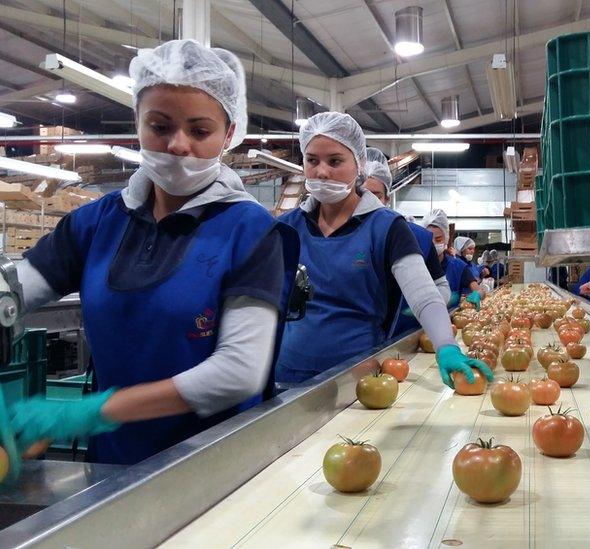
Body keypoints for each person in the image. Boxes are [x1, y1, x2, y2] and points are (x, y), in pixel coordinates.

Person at [7, 40, 299, 465]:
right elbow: (13, 295)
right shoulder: (95, 223)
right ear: (138, 124)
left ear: (229, 133)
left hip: (213, 465)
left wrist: (90, 412)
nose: (178, 145)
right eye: (160, 127)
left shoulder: (251, 232)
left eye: (200, 131)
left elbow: (239, 372)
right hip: (113, 465)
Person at [275, 113, 491, 388]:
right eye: (312, 160)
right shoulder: (286, 228)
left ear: (359, 165)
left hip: (358, 381)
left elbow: (424, 294)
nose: (322, 171)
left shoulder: (387, 228)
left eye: (335, 161)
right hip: (286, 377)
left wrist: (445, 346)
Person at [360, 147, 451, 336]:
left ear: (386, 198)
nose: (366, 200)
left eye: (375, 195)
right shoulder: (342, 236)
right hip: (359, 343)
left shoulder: (419, 238)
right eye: (361, 193)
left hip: (407, 337)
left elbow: (441, 286)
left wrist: (425, 305)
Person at [419, 209, 481, 301]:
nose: (433, 244)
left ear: (446, 238)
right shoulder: (418, 265)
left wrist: (477, 294)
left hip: (450, 315)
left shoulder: (457, 266)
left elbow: (478, 290)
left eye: (438, 240)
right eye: (429, 239)